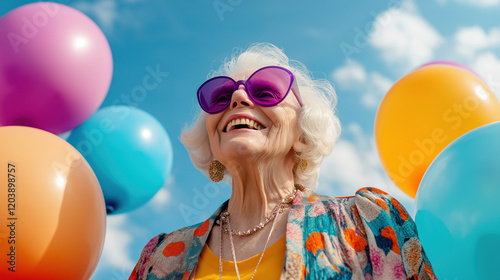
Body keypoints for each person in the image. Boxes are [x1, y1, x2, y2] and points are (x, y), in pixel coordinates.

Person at [129, 43, 436, 280]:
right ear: (211, 139)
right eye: (221, 97)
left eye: (265, 91)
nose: (238, 97)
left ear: (301, 136)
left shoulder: (367, 222)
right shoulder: (158, 259)